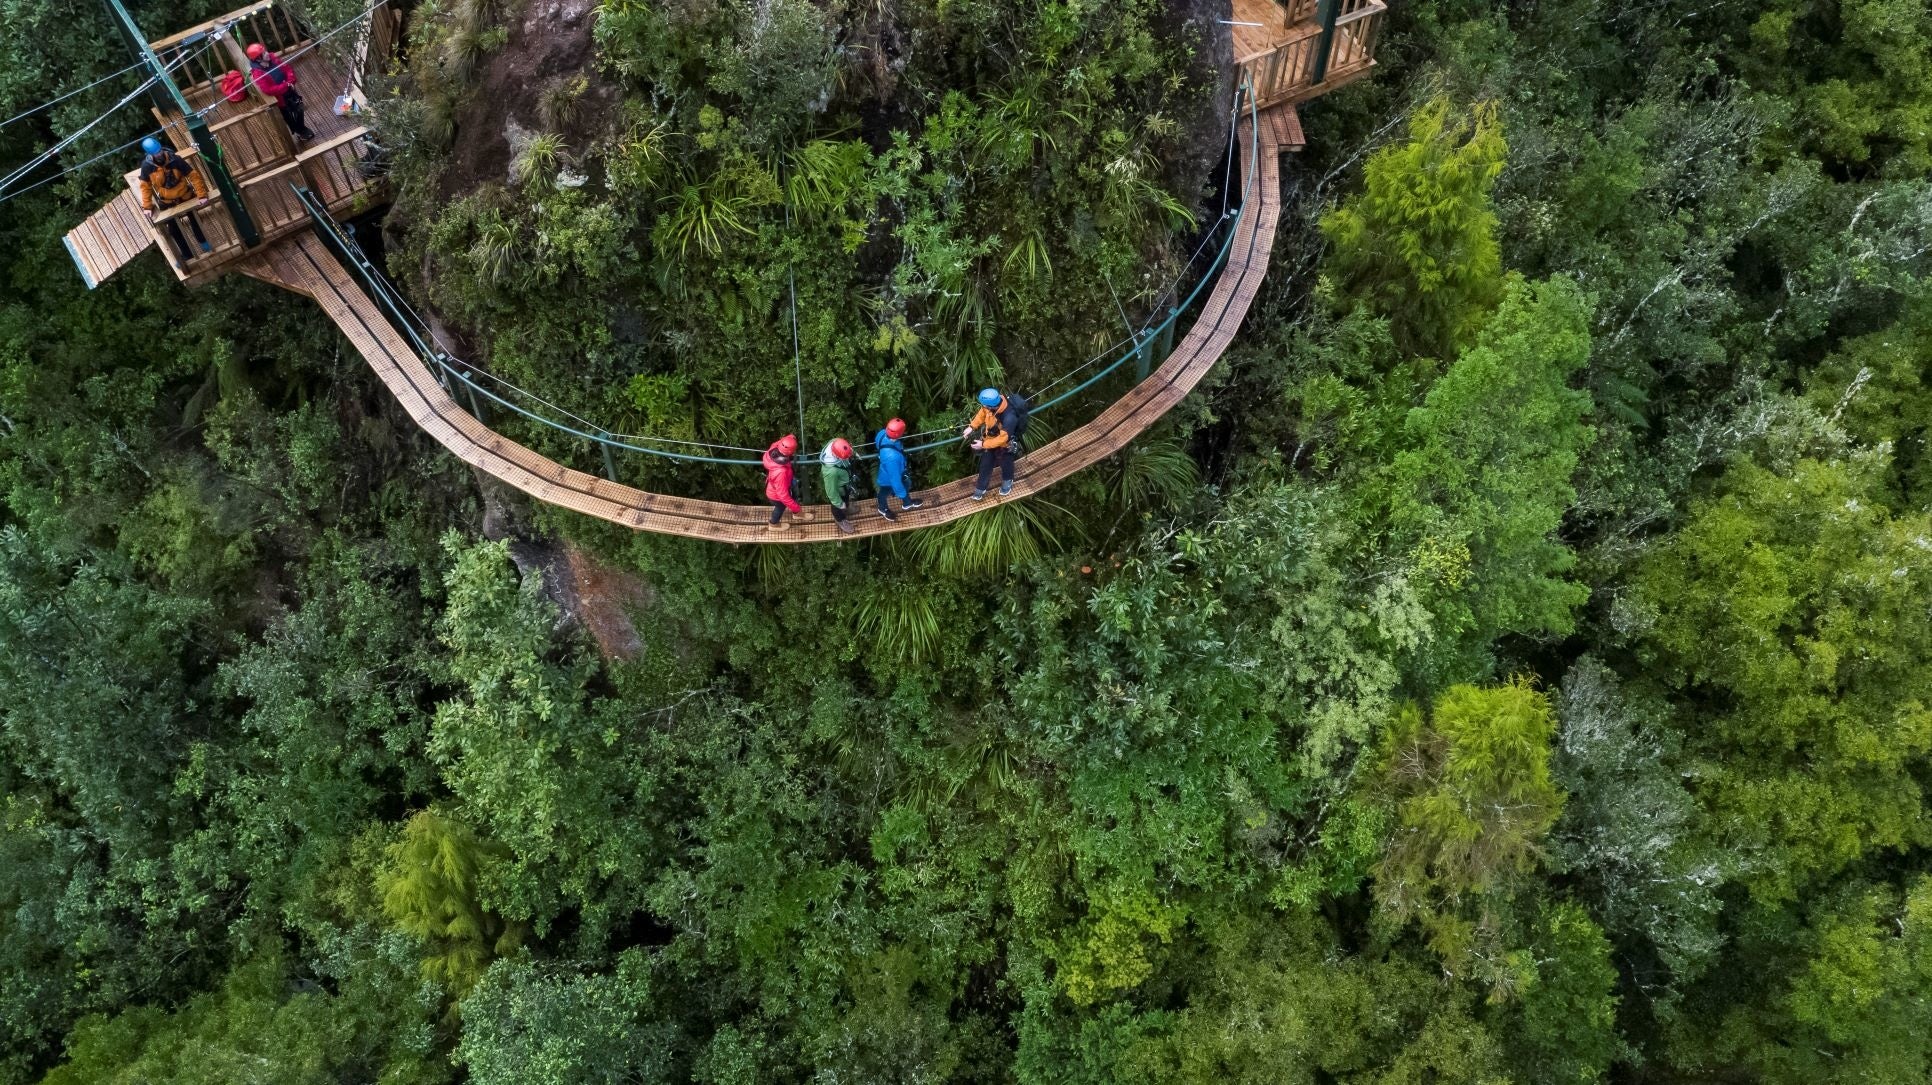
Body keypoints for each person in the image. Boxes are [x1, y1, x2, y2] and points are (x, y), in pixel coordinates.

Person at [137, 137, 211, 268]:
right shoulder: (147, 167)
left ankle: (203, 241)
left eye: (159, 151)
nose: (159, 154)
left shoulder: (174, 159)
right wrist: (147, 206)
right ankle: (187, 253)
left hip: (184, 194)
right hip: (167, 200)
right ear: (150, 154)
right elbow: (145, 186)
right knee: (173, 229)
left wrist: (201, 194)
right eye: (156, 153)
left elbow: (193, 175)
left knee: (194, 218)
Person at [962, 387, 1029, 499]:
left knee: (1006, 463)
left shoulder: (1009, 417)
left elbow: (1003, 438)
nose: (983, 407)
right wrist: (972, 427)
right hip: (990, 439)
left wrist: (982, 445)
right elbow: (982, 413)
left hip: (1004, 443)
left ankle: (1008, 481)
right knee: (985, 464)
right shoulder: (990, 407)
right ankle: (980, 488)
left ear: (990, 406)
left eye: (984, 405)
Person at [247, 42, 315, 141]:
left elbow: (287, 69)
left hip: (289, 90)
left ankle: (301, 129)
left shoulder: (273, 59)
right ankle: (299, 131)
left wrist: (290, 80)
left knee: (299, 108)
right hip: (280, 98)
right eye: (264, 53)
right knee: (289, 117)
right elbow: (268, 89)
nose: (267, 53)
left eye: (265, 51)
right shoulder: (258, 73)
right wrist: (285, 85)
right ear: (258, 58)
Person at [872, 418, 925, 521]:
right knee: (886, 490)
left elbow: (878, 442)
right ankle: (884, 508)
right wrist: (902, 495)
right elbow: (895, 480)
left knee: (904, 483)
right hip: (889, 475)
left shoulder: (882, 433)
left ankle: (906, 502)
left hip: (890, 468)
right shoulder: (892, 457)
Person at [763, 434, 806, 531]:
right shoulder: (781, 472)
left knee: (792, 493)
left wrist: (789, 437)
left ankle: (797, 514)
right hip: (776, 496)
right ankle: (774, 524)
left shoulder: (773, 450)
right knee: (780, 507)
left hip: (777, 486)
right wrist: (796, 508)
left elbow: (777, 443)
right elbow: (783, 495)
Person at [820, 437, 858, 535]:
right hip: (839, 491)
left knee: (846, 499)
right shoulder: (830, 471)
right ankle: (840, 520)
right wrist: (839, 503)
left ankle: (847, 507)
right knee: (838, 506)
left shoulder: (835, 442)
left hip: (845, 485)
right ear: (836, 456)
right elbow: (831, 491)